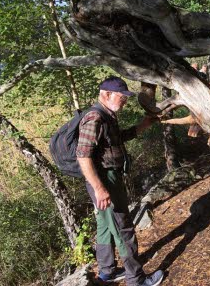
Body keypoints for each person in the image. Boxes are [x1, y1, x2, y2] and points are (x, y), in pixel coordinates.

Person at [76, 76, 164, 286]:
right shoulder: (95, 117)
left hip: (109, 178)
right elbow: (82, 155)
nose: (125, 100)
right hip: (105, 180)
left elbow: (116, 139)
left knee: (105, 226)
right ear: (106, 94)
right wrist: (99, 188)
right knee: (123, 228)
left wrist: (142, 125)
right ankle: (137, 280)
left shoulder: (108, 115)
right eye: (121, 96)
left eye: (125, 97)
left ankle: (107, 271)